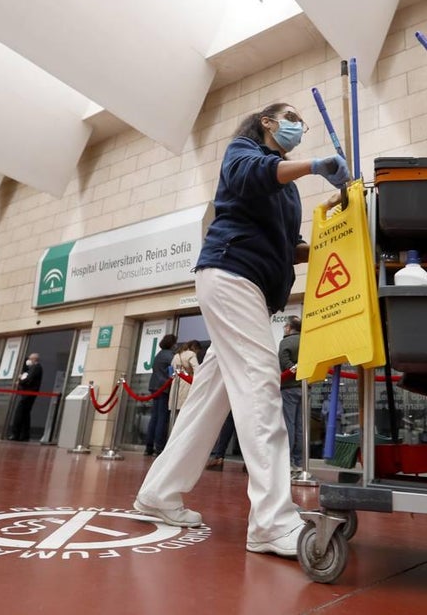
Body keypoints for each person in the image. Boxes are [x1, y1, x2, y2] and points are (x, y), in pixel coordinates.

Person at [133, 101, 349, 559]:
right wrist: (315, 166)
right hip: (232, 274)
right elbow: (256, 174)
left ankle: (157, 493)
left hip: (252, 289)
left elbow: (291, 248)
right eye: (291, 118)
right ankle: (272, 521)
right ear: (267, 122)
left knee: (209, 400)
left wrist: (335, 226)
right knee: (259, 384)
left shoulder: (288, 192)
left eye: (302, 123)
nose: (299, 127)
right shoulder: (243, 151)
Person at [277, 316, 304, 472]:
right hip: (304, 388)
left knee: (289, 425)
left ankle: (287, 461)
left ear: (288, 327)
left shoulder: (285, 342)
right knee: (301, 426)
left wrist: (293, 370)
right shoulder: (306, 341)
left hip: (288, 388)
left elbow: (285, 364)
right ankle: (299, 461)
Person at [143, 334, 177, 456]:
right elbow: (175, 368)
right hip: (163, 388)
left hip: (154, 386)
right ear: (172, 344)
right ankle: (159, 447)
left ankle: (149, 446)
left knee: (154, 417)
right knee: (162, 418)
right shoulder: (170, 356)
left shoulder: (159, 355)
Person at [9, 353, 43, 442]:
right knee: (25, 414)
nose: (28, 361)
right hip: (28, 394)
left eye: (30, 359)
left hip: (28, 394)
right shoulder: (32, 368)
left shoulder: (36, 368)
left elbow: (29, 379)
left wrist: (20, 381)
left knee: (20, 413)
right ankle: (24, 435)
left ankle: (16, 434)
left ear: (34, 359)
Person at [169, 340, 202, 417]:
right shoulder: (191, 354)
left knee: (176, 412)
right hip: (187, 383)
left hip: (175, 384)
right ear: (195, 348)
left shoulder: (176, 355)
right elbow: (197, 369)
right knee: (186, 411)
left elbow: (172, 369)